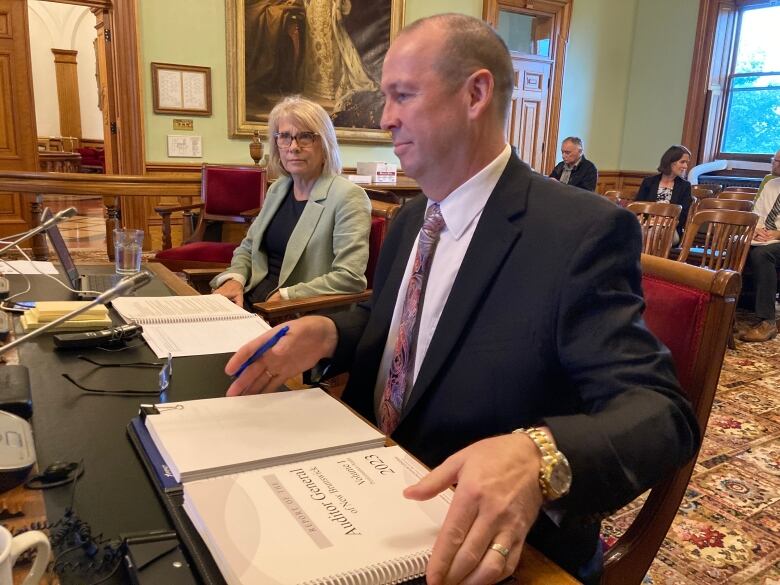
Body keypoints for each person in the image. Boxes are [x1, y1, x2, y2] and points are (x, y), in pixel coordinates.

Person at [224, 14, 699, 584]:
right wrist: (330, 333)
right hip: (366, 486)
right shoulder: (409, 221)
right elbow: (395, 324)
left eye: (402, 95)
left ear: (475, 93)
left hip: (487, 543)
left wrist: (539, 456)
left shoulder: (580, 232)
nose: (384, 117)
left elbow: (661, 413)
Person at [210, 95, 371, 308]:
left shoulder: (348, 196)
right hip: (252, 298)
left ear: (325, 144)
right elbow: (249, 248)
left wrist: (288, 296)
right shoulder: (278, 188)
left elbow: (350, 277)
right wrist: (235, 279)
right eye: (285, 136)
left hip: (294, 312)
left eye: (305, 137)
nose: (293, 147)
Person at [739, 176, 780, 342]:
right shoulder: (772, 184)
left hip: (777, 239)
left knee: (762, 254)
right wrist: (757, 229)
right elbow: (758, 212)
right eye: (776, 160)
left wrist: (778, 234)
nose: (776, 164)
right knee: (737, 247)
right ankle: (728, 311)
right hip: (765, 237)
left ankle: (768, 321)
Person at [634, 145, 693, 241]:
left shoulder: (685, 186)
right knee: (638, 232)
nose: (685, 166)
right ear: (670, 162)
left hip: (671, 230)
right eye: (682, 162)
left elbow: (683, 215)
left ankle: (644, 256)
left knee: (653, 232)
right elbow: (638, 208)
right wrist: (649, 220)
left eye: (687, 163)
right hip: (647, 225)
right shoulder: (648, 182)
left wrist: (664, 222)